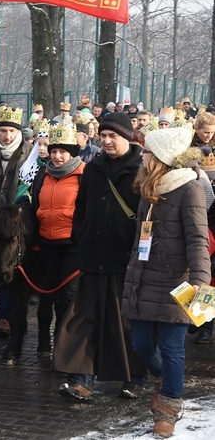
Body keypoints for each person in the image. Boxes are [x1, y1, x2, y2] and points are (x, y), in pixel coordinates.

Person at [123, 127, 211, 437]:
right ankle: (163, 379)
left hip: (178, 283)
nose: (142, 156)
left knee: (173, 348)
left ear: (161, 157)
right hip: (144, 278)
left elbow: (198, 240)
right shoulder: (149, 187)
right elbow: (141, 236)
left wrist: (200, 283)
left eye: (147, 152)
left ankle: (169, 407)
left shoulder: (189, 189)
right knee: (141, 344)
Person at [54, 112, 147, 402]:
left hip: (126, 260)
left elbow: (148, 216)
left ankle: (135, 378)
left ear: (127, 138)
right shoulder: (92, 170)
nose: (106, 141)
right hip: (93, 256)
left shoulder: (141, 170)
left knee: (125, 322)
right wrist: (81, 233)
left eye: (113, 136)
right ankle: (80, 380)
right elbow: (81, 207)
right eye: (103, 136)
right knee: (83, 319)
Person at [29, 123, 84, 359]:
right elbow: (35, 207)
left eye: (62, 151)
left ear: (72, 152)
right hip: (46, 244)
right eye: (53, 151)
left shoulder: (84, 175)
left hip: (72, 246)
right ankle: (43, 341)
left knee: (67, 298)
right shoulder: (44, 174)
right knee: (46, 295)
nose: (57, 156)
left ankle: (62, 347)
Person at [0, 104, 32, 338]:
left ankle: (5, 316)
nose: (7, 136)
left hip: (14, 219)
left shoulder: (29, 152)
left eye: (11, 131)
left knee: (10, 266)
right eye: (2, 131)